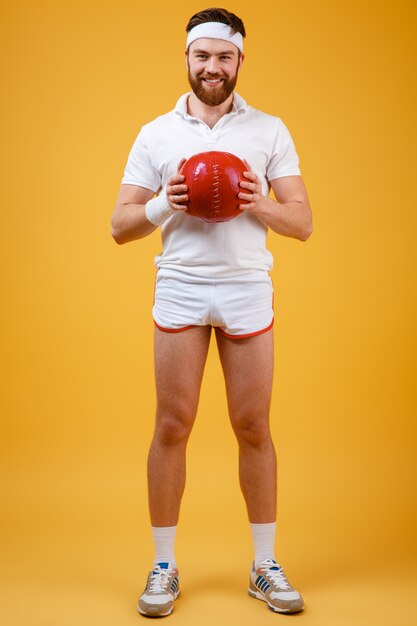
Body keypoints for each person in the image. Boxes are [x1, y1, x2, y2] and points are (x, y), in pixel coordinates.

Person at [111, 7, 313, 618]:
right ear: (188, 59)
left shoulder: (270, 130)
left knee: (254, 428)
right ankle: (164, 566)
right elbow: (119, 227)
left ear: (240, 62)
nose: (213, 68)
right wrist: (161, 207)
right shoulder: (156, 133)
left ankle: (263, 565)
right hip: (181, 287)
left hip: (247, 288)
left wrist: (258, 202)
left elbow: (302, 221)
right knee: (172, 425)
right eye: (203, 56)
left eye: (225, 57)